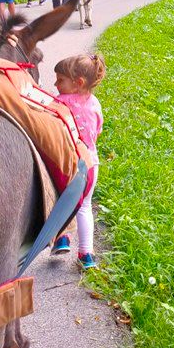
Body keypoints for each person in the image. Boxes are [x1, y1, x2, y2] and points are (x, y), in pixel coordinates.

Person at [49, 54, 106, 270]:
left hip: (67, 161)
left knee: (58, 200)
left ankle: (62, 237)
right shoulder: (95, 103)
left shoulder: (60, 103)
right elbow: (98, 130)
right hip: (91, 162)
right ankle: (86, 255)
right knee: (84, 207)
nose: (56, 84)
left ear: (78, 83)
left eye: (60, 80)